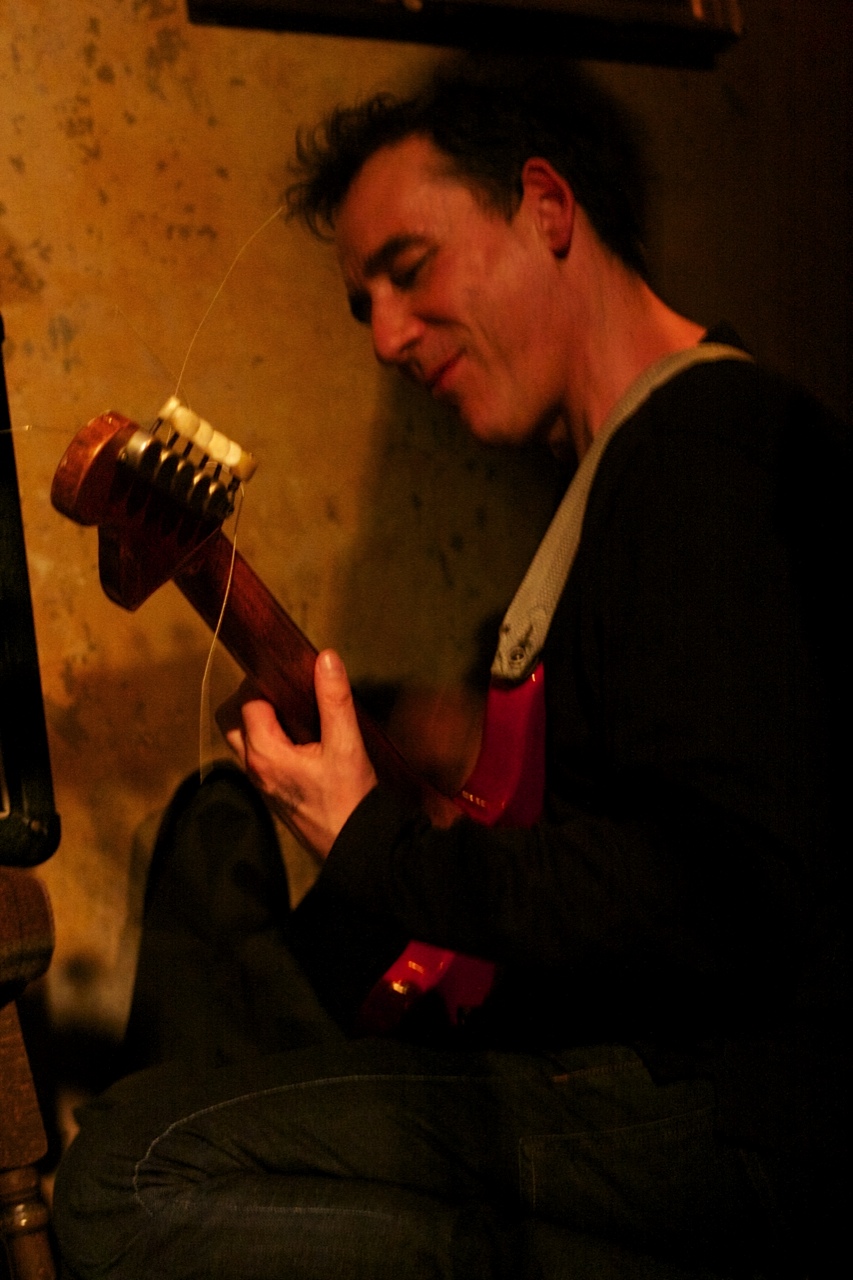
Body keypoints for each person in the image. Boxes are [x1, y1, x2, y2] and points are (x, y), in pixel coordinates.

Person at [53, 59, 848, 1280]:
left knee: (128, 1170)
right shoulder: (620, 481)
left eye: (410, 269)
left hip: (738, 1113)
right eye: (361, 303)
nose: (383, 336)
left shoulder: (706, 452)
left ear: (547, 207)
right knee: (218, 992)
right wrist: (416, 762)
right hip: (658, 1080)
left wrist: (372, 838)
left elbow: (719, 888)